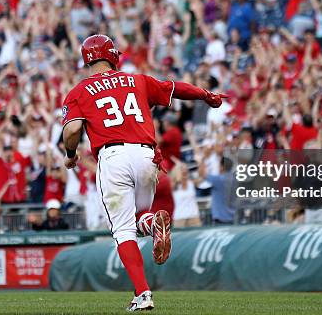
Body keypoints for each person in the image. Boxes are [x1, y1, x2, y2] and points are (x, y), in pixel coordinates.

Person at [61, 34, 227, 311]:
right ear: (112, 54)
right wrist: (206, 95)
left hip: (112, 156)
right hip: (147, 155)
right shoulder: (135, 79)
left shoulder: (79, 91)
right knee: (139, 217)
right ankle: (152, 224)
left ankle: (143, 294)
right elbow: (175, 88)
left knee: (123, 230)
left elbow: (72, 130)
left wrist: (70, 155)